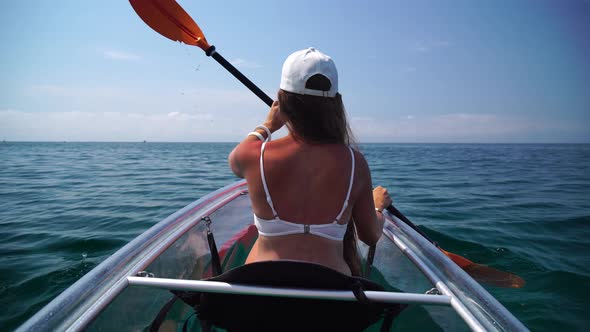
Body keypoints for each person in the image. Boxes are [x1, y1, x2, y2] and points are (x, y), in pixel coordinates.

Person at [228, 47, 391, 276]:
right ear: (336, 102)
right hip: (330, 291)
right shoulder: (356, 164)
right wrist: (377, 207)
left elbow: (235, 160)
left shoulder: (256, 155)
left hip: (260, 287)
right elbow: (370, 235)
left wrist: (267, 126)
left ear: (282, 100)